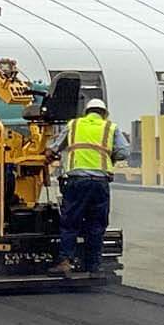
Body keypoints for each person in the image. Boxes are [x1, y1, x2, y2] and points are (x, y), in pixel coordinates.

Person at [50, 96, 129, 274]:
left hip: (76, 182)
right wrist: (110, 157)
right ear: (104, 114)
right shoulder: (110, 127)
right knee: (97, 224)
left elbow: (54, 148)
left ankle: (65, 262)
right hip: (100, 184)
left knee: (70, 222)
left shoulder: (74, 125)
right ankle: (94, 265)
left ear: (86, 112)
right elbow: (124, 152)